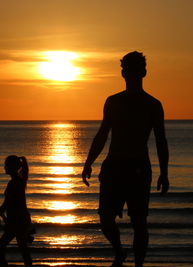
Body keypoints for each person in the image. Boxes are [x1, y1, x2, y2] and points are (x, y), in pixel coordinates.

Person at [82, 51, 169, 267]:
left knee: (139, 222)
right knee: (105, 217)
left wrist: (164, 173)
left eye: (134, 71)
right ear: (123, 73)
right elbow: (103, 133)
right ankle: (120, 253)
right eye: (128, 71)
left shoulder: (153, 104)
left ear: (143, 73)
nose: (130, 74)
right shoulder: (113, 101)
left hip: (139, 167)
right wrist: (88, 162)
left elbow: (161, 140)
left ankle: (138, 265)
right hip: (114, 166)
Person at [0, 155, 33, 266]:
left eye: (6, 165)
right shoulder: (18, 181)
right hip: (19, 219)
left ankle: (3, 264)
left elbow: (7, 204)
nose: (4, 167)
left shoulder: (15, 183)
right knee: (23, 248)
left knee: (1, 246)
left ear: (12, 167)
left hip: (17, 220)